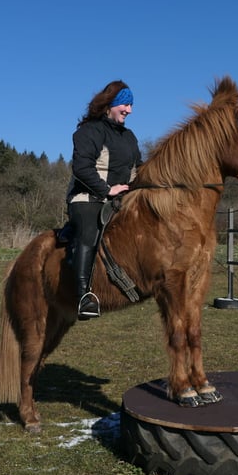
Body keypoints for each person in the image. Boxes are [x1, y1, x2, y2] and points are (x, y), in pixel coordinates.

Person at [66, 80, 142, 320]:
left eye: (131, 105)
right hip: (87, 199)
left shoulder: (129, 137)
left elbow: (138, 169)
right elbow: (81, 168)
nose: (129, 110)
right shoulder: (88, 132)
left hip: (121, 200)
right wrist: (107, 190)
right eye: (125, 105)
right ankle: (83, 296)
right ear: (110, 105)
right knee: (88, 233)